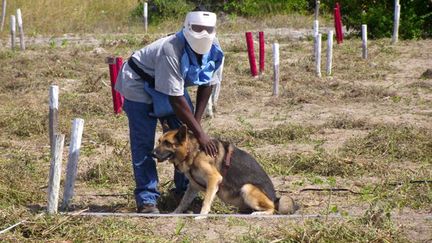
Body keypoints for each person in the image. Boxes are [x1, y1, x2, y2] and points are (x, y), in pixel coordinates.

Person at [115, 9, 224, 213]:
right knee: (144, 143)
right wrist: (200, 134)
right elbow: (175, 99)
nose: (203, 33)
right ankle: (147, 199)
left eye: (208, 29)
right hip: (139, 83)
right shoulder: (171, 49)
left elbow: (207, 84)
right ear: (187, 28)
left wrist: (196, 127)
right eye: (198, 29)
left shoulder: (215, 48)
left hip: (170, 85)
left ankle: (183, 191)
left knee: (184, 140)